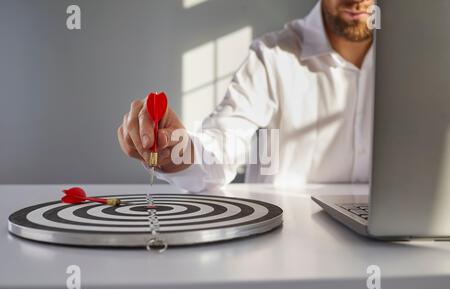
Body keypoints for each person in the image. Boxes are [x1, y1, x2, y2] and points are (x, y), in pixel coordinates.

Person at [117, 0, 375, 192]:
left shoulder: (412, 56)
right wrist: (178, 151)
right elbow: (224, 142)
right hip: (284, 245)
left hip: (389, 246)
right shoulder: (272, 56)